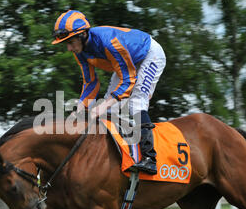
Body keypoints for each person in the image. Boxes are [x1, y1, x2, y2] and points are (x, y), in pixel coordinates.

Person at [52, 10, 166, 175]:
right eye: (65, 43)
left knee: (136, 102)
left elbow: (128, 81)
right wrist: (78, 110)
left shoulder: (110, 42)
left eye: (70, 42)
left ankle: (150, 157)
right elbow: (90, 83)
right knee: (108, 108)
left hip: (150, 55)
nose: (69, 48)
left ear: (83, 34)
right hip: (129, 61)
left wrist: (102, 105)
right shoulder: (80, 52)